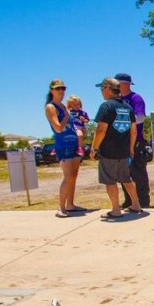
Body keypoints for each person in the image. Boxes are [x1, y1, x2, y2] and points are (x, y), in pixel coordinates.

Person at [89, 78, 142, 218]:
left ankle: (116, 210)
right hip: (124, 151)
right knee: (126, 179)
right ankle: (136, 205)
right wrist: (131, 148)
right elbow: (133, 131)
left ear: (108, 88)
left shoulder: (106, 107)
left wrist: (94, 148)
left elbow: (101, 130)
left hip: (108, 151)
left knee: (110, 181)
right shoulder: (128, 107)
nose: (101, 92)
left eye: (102, 89)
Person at [44, 79, 84, 218]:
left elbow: (74, 124)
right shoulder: (51, 107)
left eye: (63, 88)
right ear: (52, 90)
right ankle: (61, 207)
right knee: (68, 176)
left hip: (74, 143)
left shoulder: (64, 106)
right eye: (58, 88)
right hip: (63, 144)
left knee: (73, 176)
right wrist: (66, 116)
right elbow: (58, 128)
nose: (61, 91)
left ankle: (70, 204)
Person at [115, 73, 151, 209]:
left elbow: (140, 117)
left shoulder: (136, 98)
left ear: (125, 84)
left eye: (117, 83)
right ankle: (129, 200)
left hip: (136, 141)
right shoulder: (117, 100)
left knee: (138, 172)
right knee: (124, 173)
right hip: (121, 142)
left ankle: (143, 201)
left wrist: (124, 122)